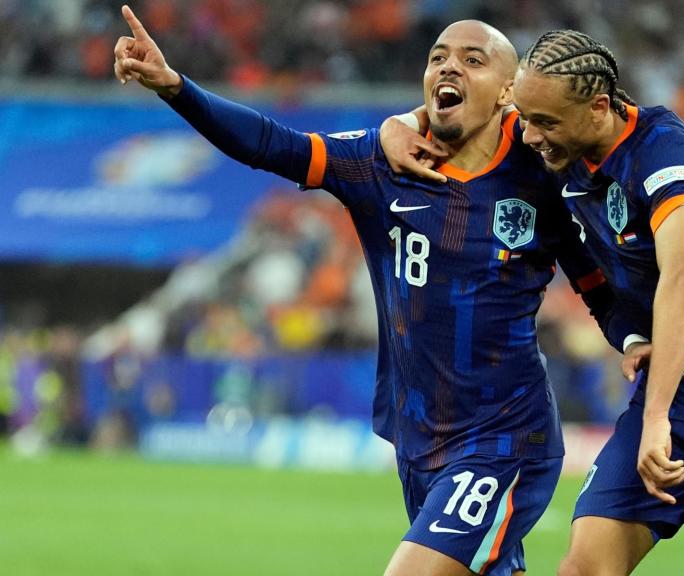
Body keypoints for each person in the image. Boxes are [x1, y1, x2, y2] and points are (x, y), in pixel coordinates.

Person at [113, 7, 642, 576]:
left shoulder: (542, 168)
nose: (449, 66)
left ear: (508, 91)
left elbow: (593, 278)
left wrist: (632, 336)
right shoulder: (376, 162)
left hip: (505, 437)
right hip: (416, 435)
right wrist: (174, 86)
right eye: (438, 57)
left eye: (472, 59)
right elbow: (270, 143)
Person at [385, 29, 684, 576]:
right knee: (585, 567)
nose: (529, 135)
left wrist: (657, 416)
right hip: (669, 394)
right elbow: (458, 111)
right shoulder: (556, 141)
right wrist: (397, 125)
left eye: (545, 123)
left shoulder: (662, 147)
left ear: (598, 107)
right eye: (525, 116)